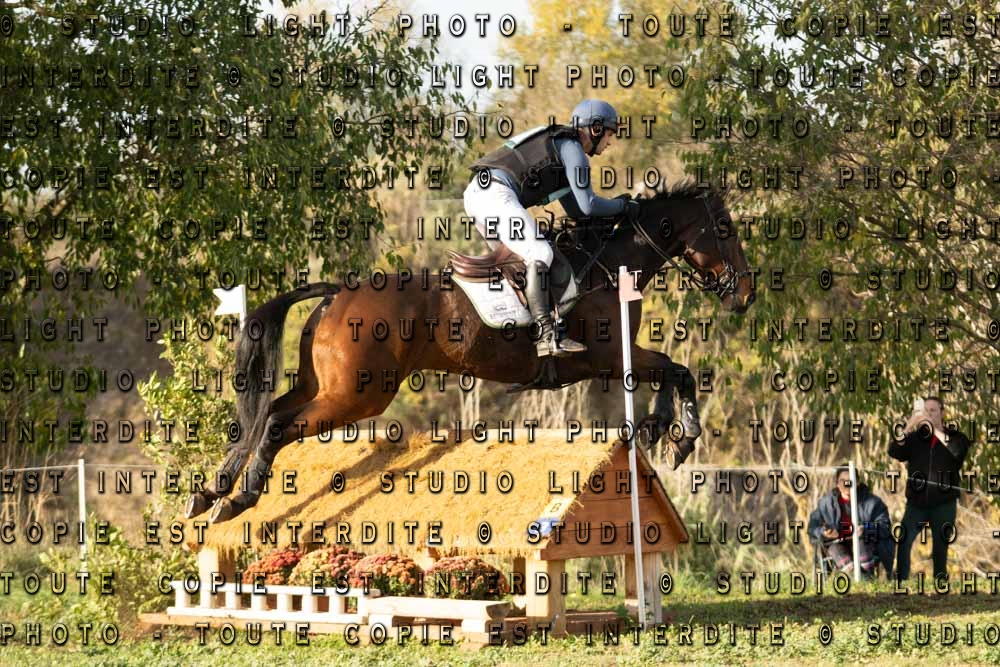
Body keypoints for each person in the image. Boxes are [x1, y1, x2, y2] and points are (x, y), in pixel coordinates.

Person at [464, 99, 640, 358]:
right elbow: (589, 205)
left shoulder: (561, 147)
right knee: (540, 253)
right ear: (595, 129)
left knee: (518, 266)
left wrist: (615, 209)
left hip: (480, 194)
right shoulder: (573, 148)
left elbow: (577, 210)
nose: (610, 142)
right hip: (494, 194)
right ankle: (546, 336)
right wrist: (623, 206)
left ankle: (519, 337)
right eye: (609, 134)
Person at [889, 396, 972, 582]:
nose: (928, 414)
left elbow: (957, 451)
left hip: (944, 502)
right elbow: (894, 450)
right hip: (916, 503)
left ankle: (940, 583)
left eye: (933, 411)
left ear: (942, 412)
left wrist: (932, 429)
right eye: (925, 411)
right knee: (904, 540)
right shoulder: (915, 438)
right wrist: (909, 425)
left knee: (940, 547)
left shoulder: (956, 436)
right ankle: (900, 582)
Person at [808, 465, 894, 578]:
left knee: (862, 544)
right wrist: (824, 532)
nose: (846, 484)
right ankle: (859, 580)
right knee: (835, 549)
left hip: (865, 543)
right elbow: (813, 526)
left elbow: (884, 526)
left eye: (850, 480)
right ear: (837, 483)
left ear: (857, 482)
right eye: (842, 481)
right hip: (838, 543)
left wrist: (865, 529)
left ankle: (866, 578)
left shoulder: (873, 502)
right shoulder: (826, 503)